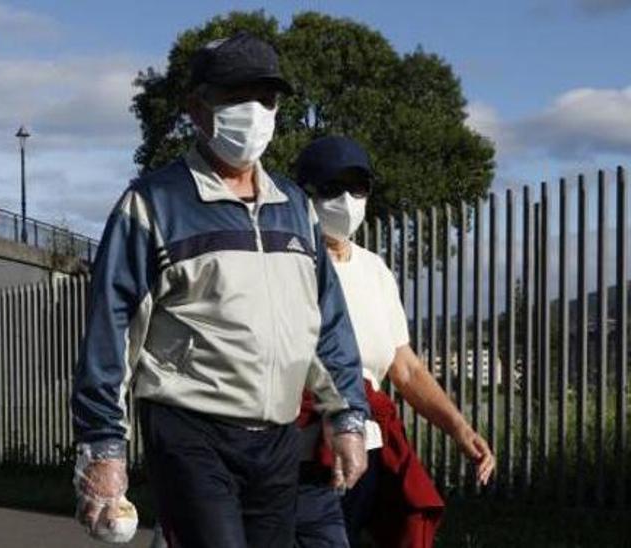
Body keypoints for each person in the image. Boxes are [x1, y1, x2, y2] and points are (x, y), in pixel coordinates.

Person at [72, 32, 371, 547]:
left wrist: (347, 415)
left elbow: (325, 322)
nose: (254, 112)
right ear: (196, 107)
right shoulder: (152, 204)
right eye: (236, 97)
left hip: (277, 437)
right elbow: (111, 329)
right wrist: (103, 448)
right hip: (191, 431)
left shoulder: (296, 207)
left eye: (267, 99)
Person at [292, 136, 496, 548]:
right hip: (300, 460)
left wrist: (459, 429)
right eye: (332, 188)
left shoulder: (376, 271)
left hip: (367, 455)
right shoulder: (286, 264)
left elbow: (404, 367)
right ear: (305, 195)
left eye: (358, 186)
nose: (347, 200)